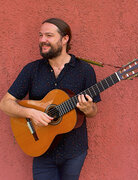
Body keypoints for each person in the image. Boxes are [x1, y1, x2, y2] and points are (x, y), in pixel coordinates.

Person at [0, 18, 101, 180]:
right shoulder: (32, 69)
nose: (42, 40)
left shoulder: (84, 70)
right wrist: (32, 113)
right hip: (40, 147)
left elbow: (93, 110)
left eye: (49, 35)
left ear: (65, 39)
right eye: (40, 35)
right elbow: (5, 104)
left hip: (74, 151)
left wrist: (89, 109)